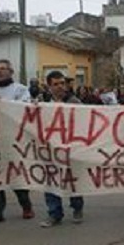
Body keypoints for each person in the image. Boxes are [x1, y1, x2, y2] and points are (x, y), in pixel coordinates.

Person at [0, 59, 36, 226]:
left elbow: (24, 109)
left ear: (11, 72)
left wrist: (2, 103)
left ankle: (26, 205)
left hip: (13, 140)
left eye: (3, 69)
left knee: (16, 175)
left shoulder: (20, 89)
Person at [39, 71, 86, 227]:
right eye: (56, 84)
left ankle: (77, 208)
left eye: (62, 83)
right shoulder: (40, 101)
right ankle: (54, 214)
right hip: (49, 150)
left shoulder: (74, 102)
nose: (60, 87)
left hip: (70, 149)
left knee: (73, 181)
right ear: (48, 86)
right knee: (51, 181)